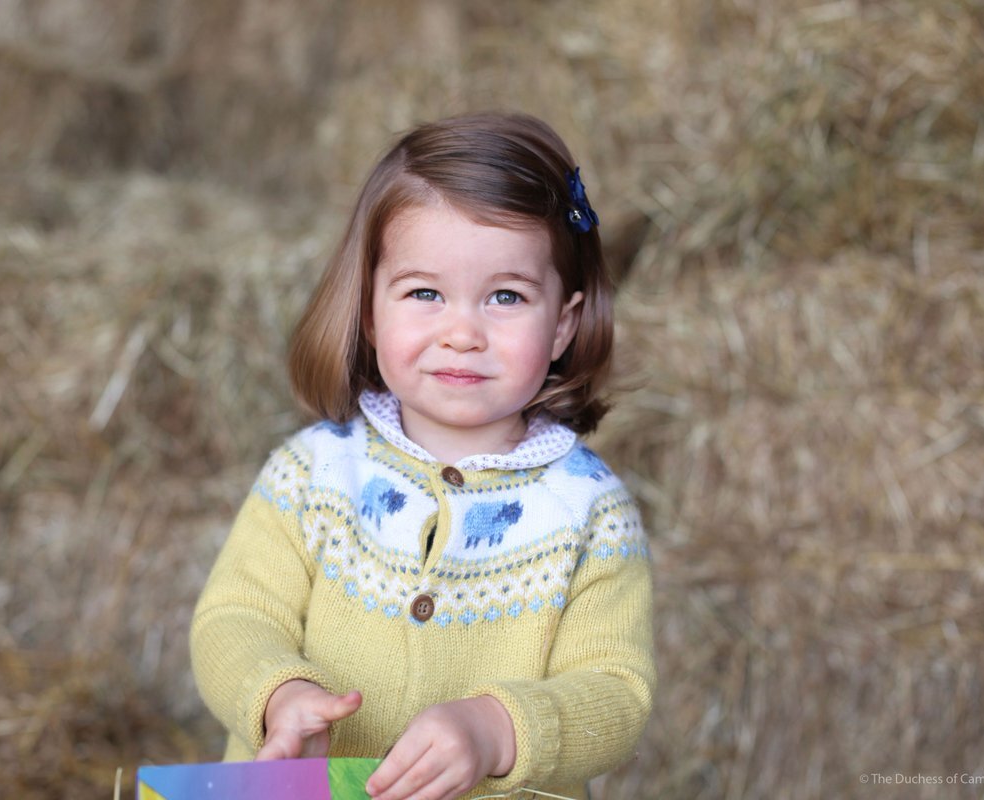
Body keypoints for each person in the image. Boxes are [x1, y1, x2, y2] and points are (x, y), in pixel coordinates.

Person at [190, 112, 655, 800]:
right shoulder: (313, 474)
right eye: (425, 293)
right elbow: (235, 617)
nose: (462, 332)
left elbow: (616, 692)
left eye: (506, 296)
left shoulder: (589, 512)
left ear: (562, 323)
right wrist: (278, 694)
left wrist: (496, 728)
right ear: (372, 311)